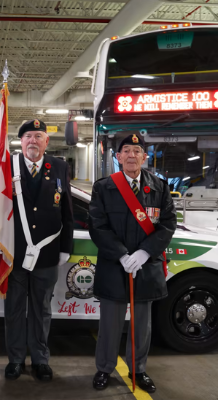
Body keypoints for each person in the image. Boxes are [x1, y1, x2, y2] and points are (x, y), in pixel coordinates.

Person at [0, 119, 74, 381]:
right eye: (27, 137)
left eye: (38, 136)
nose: (32, 140)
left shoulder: (59, 167)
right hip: (15, 254)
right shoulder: (7, 167)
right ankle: (15, 360)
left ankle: (40, 360)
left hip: (46, 255)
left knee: (42, 310)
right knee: (13, 309)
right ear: (20, 142)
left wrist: (65, 247)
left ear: (47, 141)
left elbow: (67, 210)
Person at [88, 133, 176, 393]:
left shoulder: (159, 186)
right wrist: (122, 255)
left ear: (144, 157)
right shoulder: (103, 187)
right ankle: (104, 369)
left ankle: (138, 369)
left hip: (146, 267)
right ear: (117, 157)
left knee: (142, 326)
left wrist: (144, 253)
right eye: (125, 150)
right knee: (110, 325)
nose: (131, 155)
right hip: (115, 266)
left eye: (136, 151)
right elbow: (97, 225)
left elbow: (168, 224)